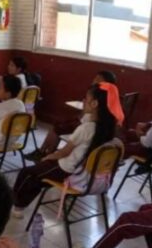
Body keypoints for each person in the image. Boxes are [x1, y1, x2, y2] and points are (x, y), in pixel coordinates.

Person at [10, 83, 119, 216]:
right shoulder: (108, 128)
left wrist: (49, 156)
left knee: (26, 173)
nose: (83, 101)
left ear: (95, 104)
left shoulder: (86, 128)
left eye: (86, 99)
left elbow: (65, 152)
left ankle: (14, 204)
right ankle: (20, 204)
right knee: (36, 176)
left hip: (67, 169)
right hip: (84, 171)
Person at [27, 70, 118, 160]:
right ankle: (45, 152)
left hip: (85, 124)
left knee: (57, 128)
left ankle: (45, 153)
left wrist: (80, 118)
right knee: (59, 123)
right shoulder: (101, 94)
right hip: (83, 121)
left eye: (98, 79)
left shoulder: (101, 97)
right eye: (95, 78)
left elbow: (86, 116)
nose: (94, 81)